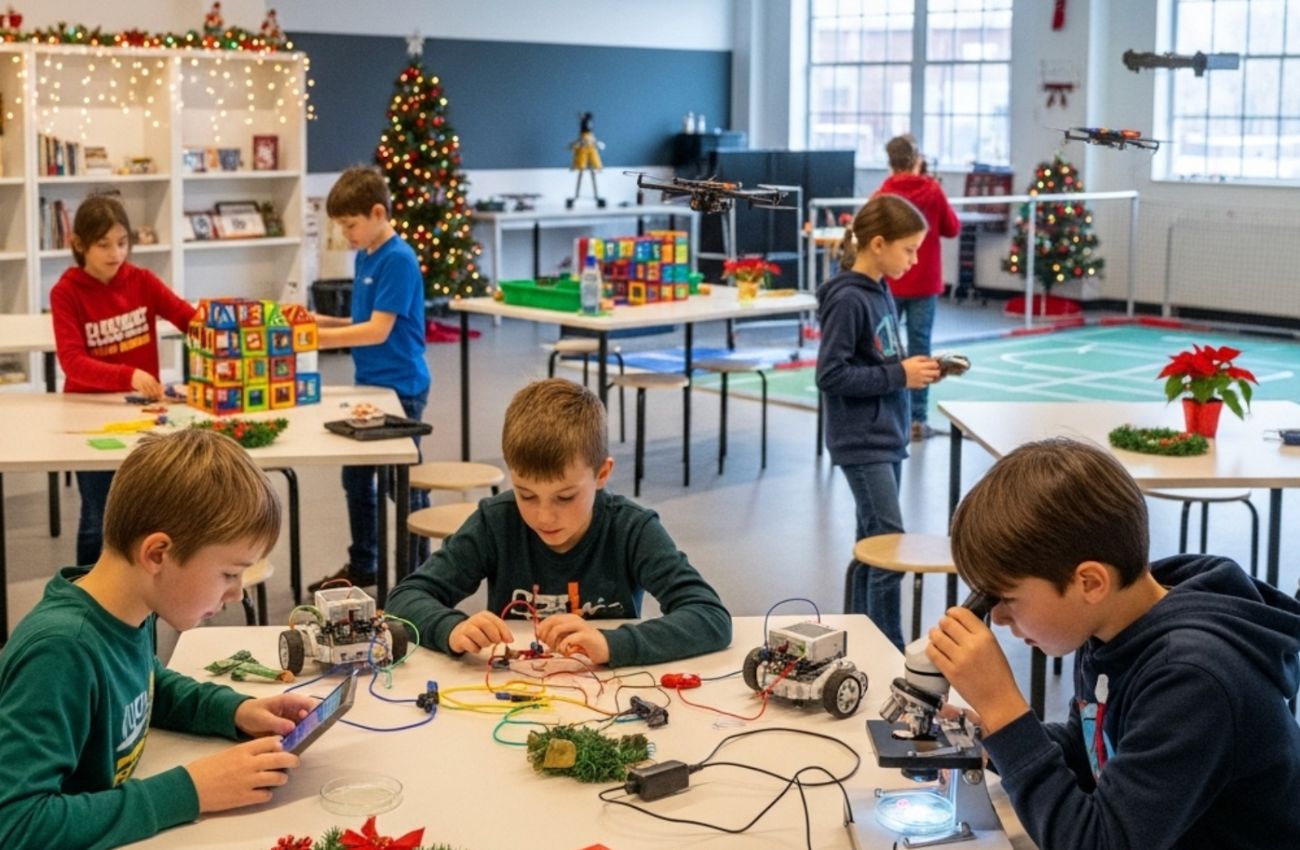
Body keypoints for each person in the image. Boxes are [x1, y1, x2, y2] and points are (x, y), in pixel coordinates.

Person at [928, 438, 1300, 850]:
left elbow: (1099, 842)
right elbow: (1095, 751)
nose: (996, 617)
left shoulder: (1194, 679)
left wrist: (1004, 710)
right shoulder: (1108, 625)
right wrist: (994, 737)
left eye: (1009, 598)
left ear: (1089, 582)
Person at [0, 429, 316, 849]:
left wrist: (234, 710)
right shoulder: (62, 652)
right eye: (228, 573)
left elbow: (145, 684)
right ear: (157, 554)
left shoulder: (133, 607)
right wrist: (190, 791)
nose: (237, 593)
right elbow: (17, 824)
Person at [387, 378, 731, 667]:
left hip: (611, 693)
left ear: (602, 474)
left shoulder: (631, 528)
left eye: (565, 497)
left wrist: (614, 644)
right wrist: (450, 628)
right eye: (526, 494)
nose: (544, 516)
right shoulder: (496, 522)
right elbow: (405, 598)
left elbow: (710, 617)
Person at [817, 194, 941, 650]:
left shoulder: (880, 289)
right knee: (889, 548)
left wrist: (912, 369)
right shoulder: (849, 299)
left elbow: (879, 355)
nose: (914, 259)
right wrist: (898, 374)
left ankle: (856, 639)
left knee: (871, 545)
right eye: (908, 250)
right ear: (878, 244)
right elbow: (830, 374)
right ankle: (887, 647)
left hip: (885, 434)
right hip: (862, 439)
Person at [51, 194, 197, 567]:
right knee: (96, 517)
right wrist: (127, 375)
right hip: (88, 414)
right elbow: (73, 363)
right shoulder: (66, 292)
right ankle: (85, 596)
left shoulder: (142, 281)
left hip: (142, 415)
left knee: (148, 515)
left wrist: (229, 325)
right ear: (79, 245)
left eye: (122, 243)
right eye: (103, 245)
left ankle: (141, 594)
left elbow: (187, 318)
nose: (115, 254)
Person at [309, 166, 431, 593]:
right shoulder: (366, 256)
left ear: (378, 212)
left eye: (350, 225)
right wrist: (316, 319)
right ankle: (365, 566)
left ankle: (420, 576)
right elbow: (360, 321)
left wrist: (315, 336)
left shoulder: (398, 259)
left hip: (401, 388)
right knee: (358, 478)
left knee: (403, 483)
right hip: (371, 385)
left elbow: (378, 331)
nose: (346, 235)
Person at [877, 134, 960, 441]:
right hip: (925, 282)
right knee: (920, 350)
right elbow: (952, 228)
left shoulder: (883, 194)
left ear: (890, 162)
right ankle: (918, 419)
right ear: (916, 160)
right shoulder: (932, 190)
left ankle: (890, 414)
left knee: (886, 349)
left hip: (892, 281)